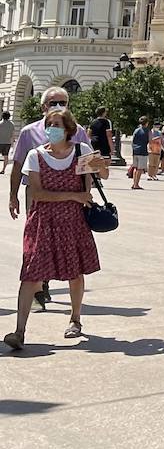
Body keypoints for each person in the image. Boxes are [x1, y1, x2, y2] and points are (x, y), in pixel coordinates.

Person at [4, 107, 105, 349]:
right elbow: (38, 193)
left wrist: (101, 166)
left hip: (73, 223)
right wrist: (73, 196)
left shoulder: (82, 151)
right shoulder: (35, 155)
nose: (52, 129)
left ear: (69, 129)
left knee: (74, 272)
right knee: (30, 273)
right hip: (42, 222)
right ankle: (19, 331)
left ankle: (75, 319)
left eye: (57, 124)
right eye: (49, 124)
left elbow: (93, 186)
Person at [8, 87, 91, 309]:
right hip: (37, 196)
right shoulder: (29, 132)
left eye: (63, 102)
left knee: (67, 246)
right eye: (53, 102)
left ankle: (72, 309)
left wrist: (85, 191)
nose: (58, 106)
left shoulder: (79, 131)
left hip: (70, 201)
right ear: (43, 106)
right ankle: (40, 287)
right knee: (37, 243)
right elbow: (17, 165)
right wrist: (12, 195)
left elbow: (89, 164)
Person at [130, 116, 150, 190]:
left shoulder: (136, 130)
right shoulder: (147, 131)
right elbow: (150, 140)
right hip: (142, 151)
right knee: (140, 169)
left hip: (135, 150)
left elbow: (132, 141)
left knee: (135, 167)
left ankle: (134, 183)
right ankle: (136, 184)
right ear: (147, 123)